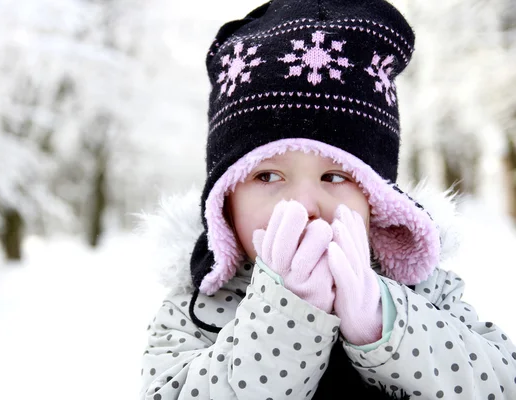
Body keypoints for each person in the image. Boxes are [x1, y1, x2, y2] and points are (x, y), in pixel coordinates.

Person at [139, 0, 516, 398]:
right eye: (267, 175)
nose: (304, 204)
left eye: (334, 176)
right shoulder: (195, 311)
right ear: (224, 199)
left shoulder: (426, 291)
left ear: (377, 198)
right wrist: (286, 317)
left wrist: (383, 320)